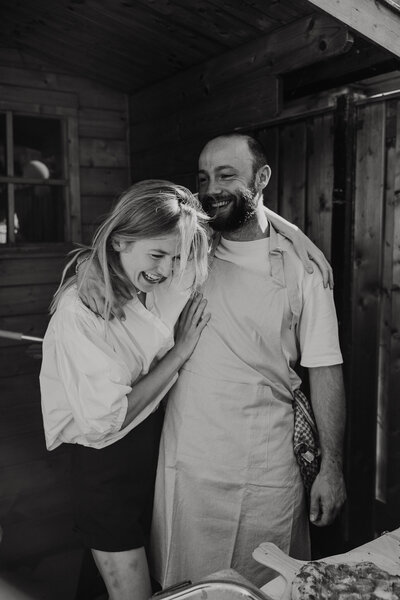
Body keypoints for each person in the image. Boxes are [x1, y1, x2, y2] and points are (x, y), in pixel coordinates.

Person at [77, 133, 346, 589]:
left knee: (267, 585)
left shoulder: (304, 269)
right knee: (187, 585)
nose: (212, 189)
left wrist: (332, 468)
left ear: (262, 177)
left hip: (267, 468)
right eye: (203, 179)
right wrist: (91, 267)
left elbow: (325, 369)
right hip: (189, 464)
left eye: (226, 175)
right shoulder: (186, 251)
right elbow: (131, 242)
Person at [39, 180, 211, 600]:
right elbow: (107, 420)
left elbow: (222, 229)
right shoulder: (79, 313)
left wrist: (299, 243)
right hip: (104, 469)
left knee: (102, 585)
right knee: (132, 591)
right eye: (158, 255)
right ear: (120, 242)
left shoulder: (160, 278)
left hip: (149, 454)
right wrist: (179, 353)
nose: (167, 270)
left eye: (176, 257)